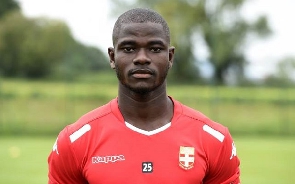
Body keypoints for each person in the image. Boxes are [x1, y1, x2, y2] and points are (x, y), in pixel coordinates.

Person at [48, 8, 240, 184]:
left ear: (170, 57)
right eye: (129, 48)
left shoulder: (214, 140)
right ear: (112, 57)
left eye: (155, 49)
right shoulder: (75, 142)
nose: (141, 58)